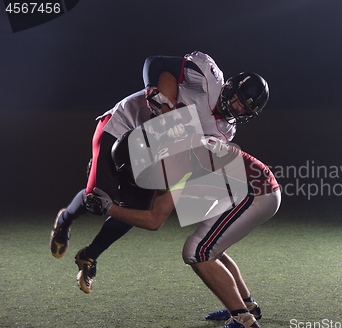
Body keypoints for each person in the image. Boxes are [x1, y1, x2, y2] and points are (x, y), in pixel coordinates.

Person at [50, 50, 270, 294]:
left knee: (135, 211)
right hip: (124, 123)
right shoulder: (208, 77)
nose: (237, 108)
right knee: (96, 198)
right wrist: (155, 91)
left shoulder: (224, 133)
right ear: (230, 86)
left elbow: (186, 153)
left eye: (245, 109)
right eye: (239, 99)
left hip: (151, 150)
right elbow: (156, 63)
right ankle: (64, 221)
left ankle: (89, 255)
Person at [86, 131, 281, 328]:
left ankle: (244, 323)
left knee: (197, 251)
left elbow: (154, 220)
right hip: (247, 188)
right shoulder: (173, 148)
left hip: (254, 193)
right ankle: (246, 306)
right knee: (210, 249)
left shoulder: (173, 161)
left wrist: (109, 208)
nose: (134, 173)